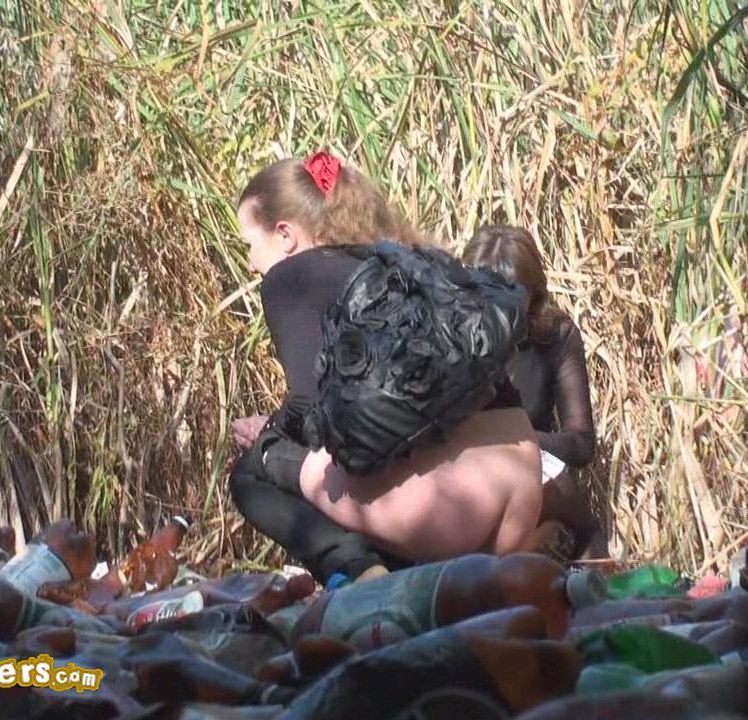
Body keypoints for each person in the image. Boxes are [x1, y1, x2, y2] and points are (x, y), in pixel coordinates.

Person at [228, 152, 541, 584]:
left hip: (449, 510)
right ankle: (413, 582)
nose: (250, 263)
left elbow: (308, 406)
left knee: (256, 466)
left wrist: (268, 430)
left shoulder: (290, 277)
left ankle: (363, 580)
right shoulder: (406, 260)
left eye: (249, 244)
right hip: (523, 494)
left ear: (285, 235)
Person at [461, 225, 607, 559]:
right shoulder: (454, 335)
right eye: (485, 293)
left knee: (562, 493)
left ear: (531, 294)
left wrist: (516, 439)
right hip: (466, 476)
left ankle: (593, 576)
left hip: (532, 476)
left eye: (510, 294)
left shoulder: (555, 337)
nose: (498, 305)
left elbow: (581, 443)